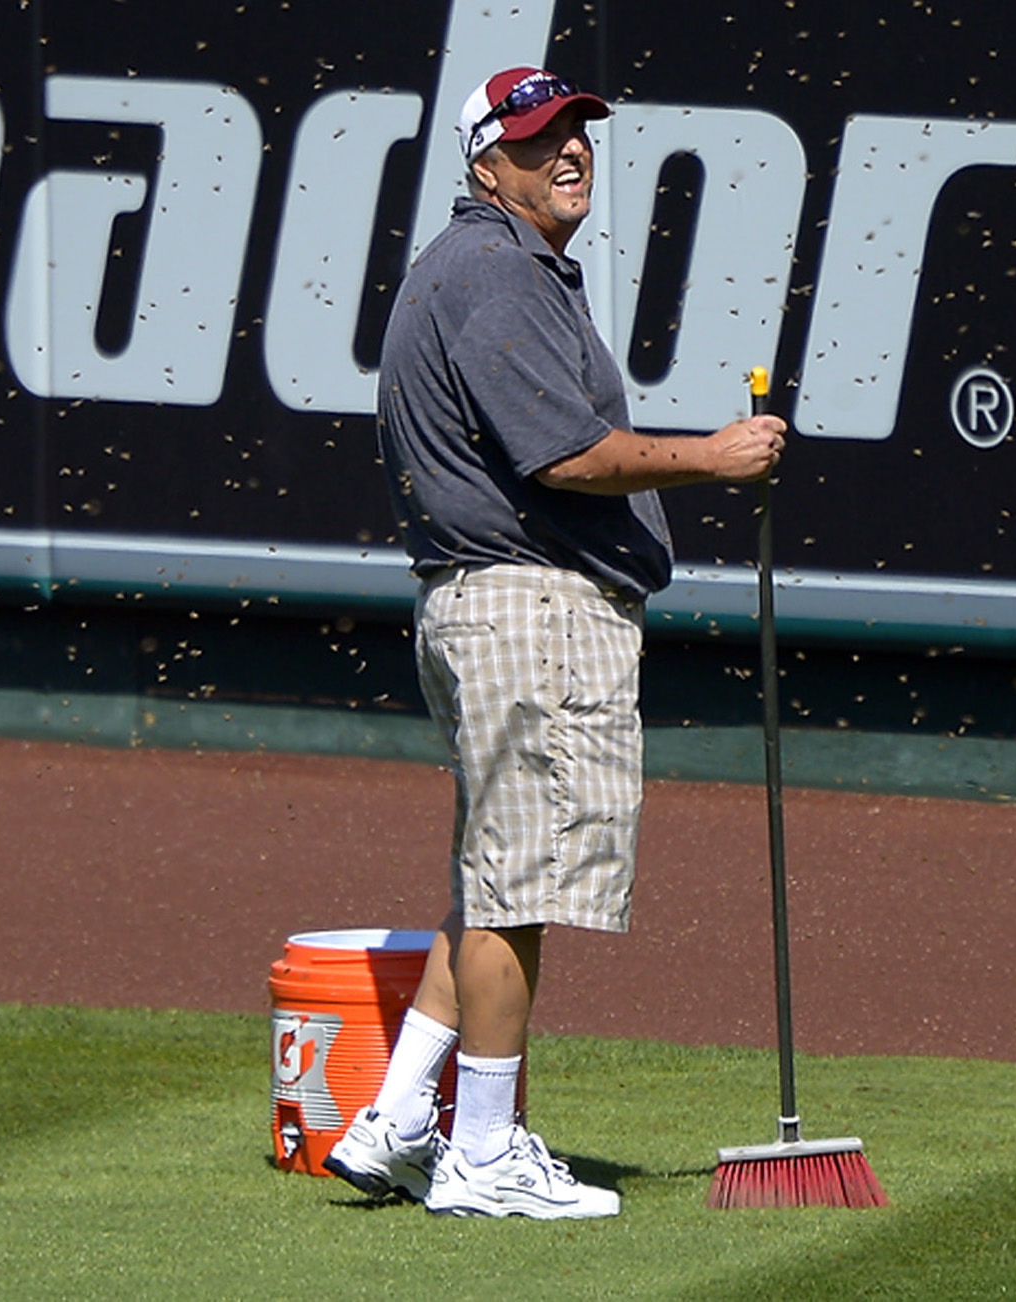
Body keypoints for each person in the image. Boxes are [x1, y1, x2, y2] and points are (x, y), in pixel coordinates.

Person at [322, 67, 786, 1219]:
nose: (567, 152)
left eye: (576, 133)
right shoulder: (495, 272)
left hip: (488, 603)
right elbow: (564, 457)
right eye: (537, 140)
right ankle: (481, 1151)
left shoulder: (484, 266)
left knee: (495, 881)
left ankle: (389, 1122)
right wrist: (713, 457)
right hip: (526, 607)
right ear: (487, 166)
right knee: (516, 884)